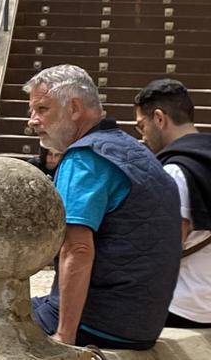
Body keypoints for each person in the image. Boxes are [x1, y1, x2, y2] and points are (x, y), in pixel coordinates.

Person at [25, 64, 181, 349]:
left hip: (98, 322)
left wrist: (64, 338)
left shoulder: (83, 158)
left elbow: (78, 249)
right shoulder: (134, 150)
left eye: (42, 109)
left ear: (74, 108)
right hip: (142, 323)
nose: (33, 121)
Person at [134, 79, 211, 329]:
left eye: (141, 125)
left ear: (159, 118)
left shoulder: (175, 171)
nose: (142, 136)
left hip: (184, 305)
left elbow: (165, 253)